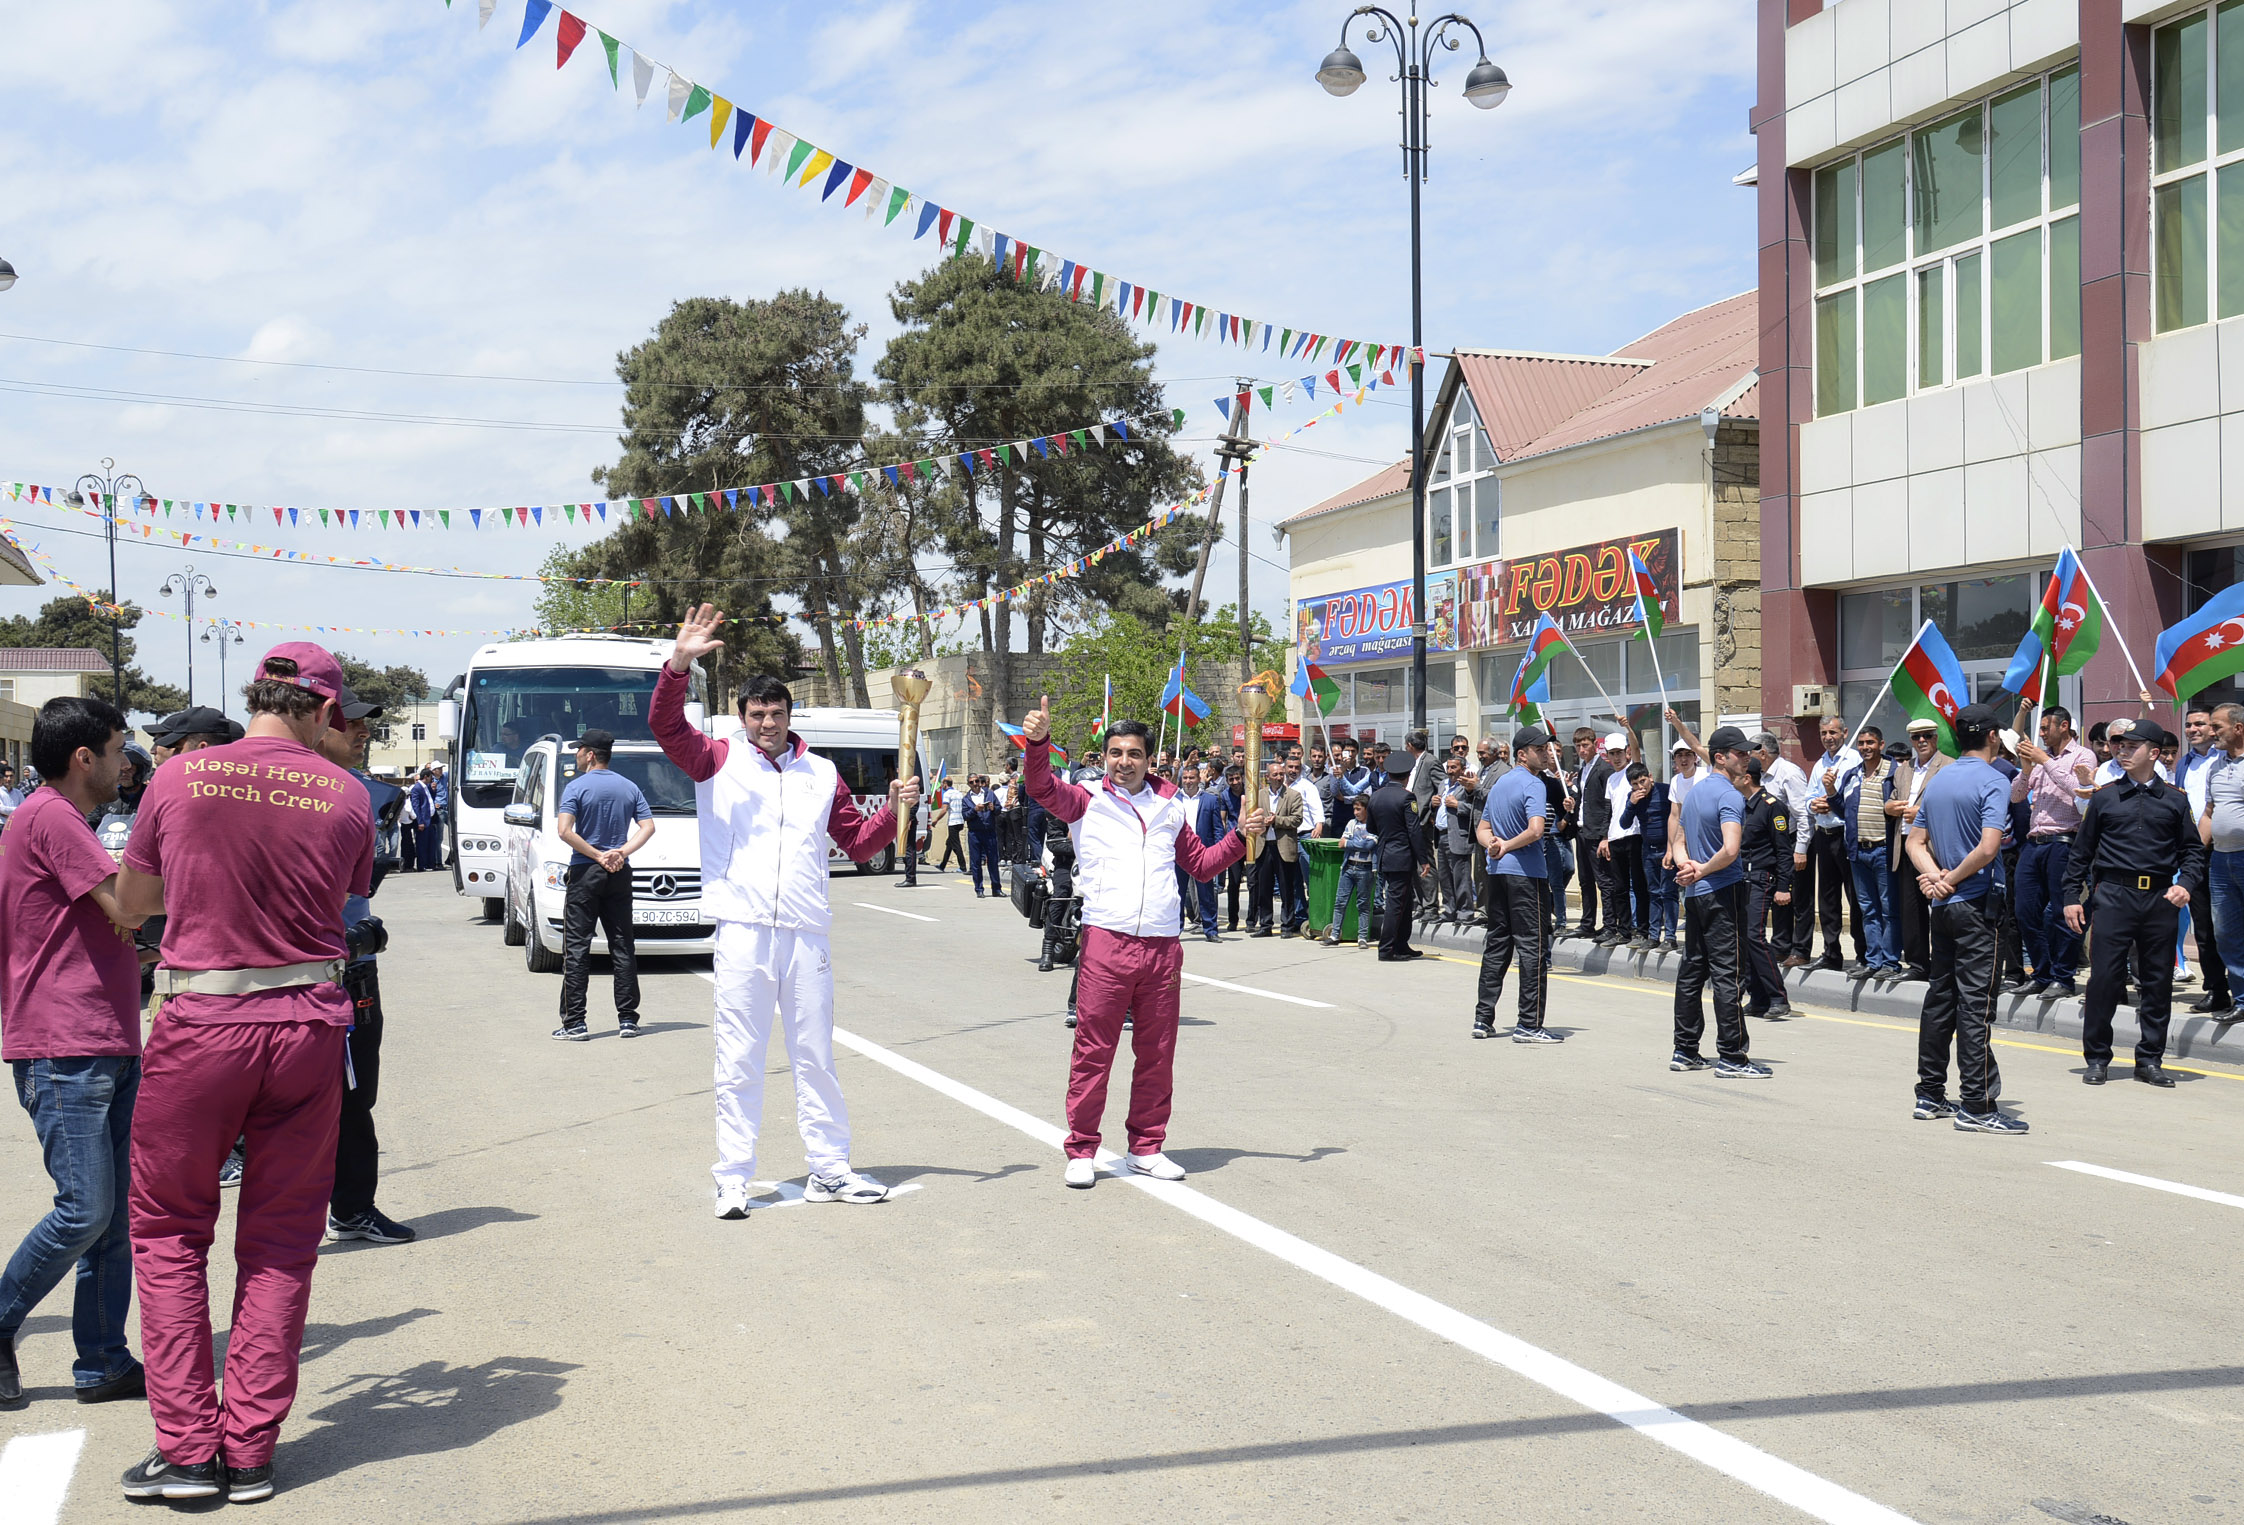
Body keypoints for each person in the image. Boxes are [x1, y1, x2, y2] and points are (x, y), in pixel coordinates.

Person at [114, 643, 376, 1504]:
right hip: (304, 1023)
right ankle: (252, 1450)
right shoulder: (346, 794)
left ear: (256, 694)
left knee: (167, 1232)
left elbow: (137, 904)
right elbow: (345, 893)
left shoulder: (180, 777)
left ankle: (189, 1450)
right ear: (324, 709)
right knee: (281, 1243)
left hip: (203, 1021)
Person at [652, 609, 914, 1216]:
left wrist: (896, 810)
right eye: (757, 714)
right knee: (738, 1059)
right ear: (743, 718)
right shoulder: (715, 760)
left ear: (790, 716)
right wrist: (679, 665)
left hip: (805, 932)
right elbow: (665, 725)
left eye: (777, 713)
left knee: (816, 1056)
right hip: (742, 931)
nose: (767, 722)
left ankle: (829, 1168)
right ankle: (734, 1176)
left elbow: (857, 841)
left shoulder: (821, 774)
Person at [1017, 697, 1264, 1188]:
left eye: (1132, 753)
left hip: (1162, 946)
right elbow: (1040, 785)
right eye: (1114, 753)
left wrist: (1239, 836)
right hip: (1108, 941)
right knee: (1094, 1048)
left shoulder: (1171, 807)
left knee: (1157, 1051)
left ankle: (1146, 1146)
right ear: (1104, 757)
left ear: (1149, 759)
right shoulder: (1087, 800)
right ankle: (1082, 1147)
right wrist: (1038, 742)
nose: (1123, 762)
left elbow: (1201, 865)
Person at [0, 696, 150, 1410]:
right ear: (83, 756)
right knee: (87, 1208)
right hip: (66, 1047)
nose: (127, 762)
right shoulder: (54, 816)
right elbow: (125, 906)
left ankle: (102, 1360)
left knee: (111, 1216)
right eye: (119, 748)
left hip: (100, 1040)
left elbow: (111, 924)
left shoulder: (60, 818)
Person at [313, 688, 415, 1242]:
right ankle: (339, 1207)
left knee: (358, 1092)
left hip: (356, 967)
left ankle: (350, 1205)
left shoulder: (363, 793)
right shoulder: (313, 792)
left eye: (366, 724)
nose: (362, 732)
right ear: (319, 721)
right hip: (322, 969)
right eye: (350, 722)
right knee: (336, 1096)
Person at [2064, 722, 2207, 1087]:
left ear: (2154, 753)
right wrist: (2070, 898)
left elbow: (2192, 851)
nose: (2122, 752)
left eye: (2132, 746)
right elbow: (2081, 854)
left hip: (2160, 898)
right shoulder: (2104, 797)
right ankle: (2097, 1057)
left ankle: (2150, 1059)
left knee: (2157, 981)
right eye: (2119, 746)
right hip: (2113, 896)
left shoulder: (2175, 799)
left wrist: (2186, 885)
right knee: (2105, 979)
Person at [1904, 703, 2025, 1131]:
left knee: (1941, 999)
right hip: (1975, 902)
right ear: (1993, 736)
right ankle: (1977, 1104)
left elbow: (1914, 841)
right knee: (1975, 1005)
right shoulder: (1992, 780)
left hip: (1944, 905)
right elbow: (1989, 847)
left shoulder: (1939, 779)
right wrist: (1950, 878)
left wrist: (1934, 877)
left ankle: (1930, 1093)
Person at [1669, 727, 1770, 1078]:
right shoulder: (1730, 796)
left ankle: (1684, 1049)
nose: (1747, 758)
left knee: (1692, 971)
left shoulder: (1695, 793)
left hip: (1697, 894)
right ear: (1720, 757)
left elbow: (1678, 839)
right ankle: (1732, 1056)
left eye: (1747, 753)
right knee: (1729, 974)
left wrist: (1688, 867)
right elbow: (1730, 850)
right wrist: (1700, 870)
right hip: (1722, 890)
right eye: (1739, 753)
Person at [551, 728, 656, 1041]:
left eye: (579, 750)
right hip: (619, 872)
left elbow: (564, 831)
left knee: (577, 948)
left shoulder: (576, 787)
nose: (576, 754)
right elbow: (648, 827)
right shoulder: (629, 787)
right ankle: (627, 1019)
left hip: (585, 872)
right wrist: (620, 852)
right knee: (622, 945)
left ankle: (575, 1023)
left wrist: (597, 855)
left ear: (590, 754)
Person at [1473, 725, 1559, 1042]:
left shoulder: (1499, 784)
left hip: (1496, 873)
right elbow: (1536, 830)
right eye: (1540, 749)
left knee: (1497, 944)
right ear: (1523, 754)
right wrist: (1507, 845)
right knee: (1532, 948)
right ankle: (1529, 1023)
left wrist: (1493, 844)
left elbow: (1483, 828)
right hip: (1527, 875)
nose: (1546, 753)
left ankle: (1483, 1019)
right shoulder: (1532, 784)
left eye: (1546, 748)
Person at [2008, 704, 2096, 1000]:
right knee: (2025, 911)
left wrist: (2045, 760)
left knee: (2062, 912)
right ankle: (2041, 973)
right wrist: (2026, 769)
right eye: (2040, 729)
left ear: (2064, 726)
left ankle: (2063, 976)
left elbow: (2078, 790)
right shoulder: (2038, 761)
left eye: (2045, 728)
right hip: (2034, 843)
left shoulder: (2082, 756)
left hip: (2065, 841)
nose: (2041, 734)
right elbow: (2016, 795)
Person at [2178, 706, 2233, 1015]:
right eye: (2189, 724)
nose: (2194, 729)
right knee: (2204, 927)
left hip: (2227, 849)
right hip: (2198, 850)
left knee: (2230, 924)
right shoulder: (2184, 764)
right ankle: (2216, 988)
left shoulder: (2225, 760)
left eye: (2201, 723)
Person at [1835, 726, 1902, 980]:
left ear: (1881, 744)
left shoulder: (1894, 773)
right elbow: (1843, 812)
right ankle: (1872, 961)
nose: (1865, 747)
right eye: (1861, 743)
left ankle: (1891, 962)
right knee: (1867, 909)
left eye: (1870, 742)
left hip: (1883, 849)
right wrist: (1831, 793)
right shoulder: (1852, 775)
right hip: (1857, 851)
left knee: (1888, 909)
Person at [1888, 718, 1950, 982]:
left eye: (1926, 736)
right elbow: (1891, 800)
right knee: (1911, 911)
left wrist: (1921, 813)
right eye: (1916, 737)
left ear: (1935, 738)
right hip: (1904, 847)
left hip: (1934, 848)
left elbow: (1951, 803)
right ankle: (1917, 964)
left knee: (1940, 908)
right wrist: (1891, 808)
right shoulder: (1904, 769)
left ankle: (1944, 963)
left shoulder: (1948, 766)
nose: (1921, 741)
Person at [1803, 715, 1866, 971]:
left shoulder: (1854, 760)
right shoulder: (1820, 764)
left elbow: (1855, 800)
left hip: (1845, 835)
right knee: (1827, 899)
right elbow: (1808, 797)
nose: (1828, 738)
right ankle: (1831, 953)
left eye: (1833, 732)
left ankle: (1863, 954)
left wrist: (1830, 801)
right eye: (1824, 733)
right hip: (1823, 834)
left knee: (1855, 897)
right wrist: (1813, 804)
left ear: (1844, 732)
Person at [1737, 759, 1796, 1021]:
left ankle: (1778, 998)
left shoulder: (1773, 807)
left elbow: (1784, 850)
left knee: (1755, 936)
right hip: (1742, 878)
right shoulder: (1740, 806)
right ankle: (1758, 998)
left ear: (1747, 778)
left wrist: (1784, 886)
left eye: (1735, 775)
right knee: (1745, 939)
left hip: (1763, 877)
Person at [1750, 732, 1812, 965]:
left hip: (1794, 841)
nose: (1749, 757)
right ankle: (1781, 946)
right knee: (1779, 897)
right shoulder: (1763, 776)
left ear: (1763, 753)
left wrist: (1801, 848)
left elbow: (1803, 814)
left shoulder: (1789, 773)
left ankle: (1801, 949)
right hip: (1775, 845)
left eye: (1752, 753)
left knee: (1799, 899)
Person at [1365, 749, 1428, 961]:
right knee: (1395, 904)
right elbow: (1414, 831)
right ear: (1407, 775)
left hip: (1385, 854)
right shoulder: (1406, 797)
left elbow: (1371, 827)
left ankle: (1401, 944)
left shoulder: (1376, 796)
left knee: (1404, 901)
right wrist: (1424, 859)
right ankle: (1387, 949)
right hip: (1401, 856)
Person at [2201, 703, 2244, 1002]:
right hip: (2219, 861)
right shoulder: (2215, 766)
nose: (2211, 732)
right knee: (2226, 934)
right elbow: (2209, 813)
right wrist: (2190, 854)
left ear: (2238, 728)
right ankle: (2241, 1001)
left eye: (2217, 727)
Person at [1593, 733, 1644, 949]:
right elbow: (1608, 810)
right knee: (1619, 887)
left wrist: (1629, 729)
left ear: (1627, 753)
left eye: (1619, 753)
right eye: (1611, 754)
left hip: (1634, 834)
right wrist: (1605, 837)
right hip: (1615, 837)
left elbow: (1637, 751)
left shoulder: (1632, 771)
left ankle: (1642, 929)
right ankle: (1623, 930)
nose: (1616, 758)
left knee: (1639, 886)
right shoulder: (1612, 779)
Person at [1567, 728, 1616, 939]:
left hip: (1597, 833)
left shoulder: (1604, 769)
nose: (1581, 750)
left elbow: (1608, 805)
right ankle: (1587, 923)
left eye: (1585, 745)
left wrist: (1605, 835)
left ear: (1595, 745)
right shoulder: (1583, 770)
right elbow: (1584, 800)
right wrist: (1571, 803)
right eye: (1578, 746)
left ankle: (1610, 925)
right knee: (1585, 880)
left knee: (1603, 881)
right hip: (1582, 831)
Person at [1624, 757, 1677, 951]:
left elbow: (1677, 817)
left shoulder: (1665, 791)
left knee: (1668, 893)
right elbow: (1624, 824)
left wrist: (1672, 849)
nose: (1640, 786)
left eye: (1643, 781)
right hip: (1648, 850)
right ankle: (1654, 936)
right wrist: (1631, 804)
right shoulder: (1634, 798)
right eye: (1635, 784)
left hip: (1667, 850)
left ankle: (1670, 937)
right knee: (1653, 893)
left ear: (1650, 777)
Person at [1189, 765, 1239, 944]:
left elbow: (1218, 827)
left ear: (1199, 780)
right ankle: (1174, 929)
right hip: (1180, 852)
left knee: (1207, 894)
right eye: (1185, 778)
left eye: (1192, 778)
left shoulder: (1210, 800)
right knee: (1178, 892)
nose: (1188, 781)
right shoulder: (1176, 800)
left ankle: (1211, 929)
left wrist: (1218, 852)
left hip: (1203, 852)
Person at [1324, 794, 1378, 948]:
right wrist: (1356, 842)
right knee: (1340, 902)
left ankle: (1362, 937)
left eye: (1358, 809)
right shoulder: (1351, 824)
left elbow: (1368, 846)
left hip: (1365, 868)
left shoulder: (1374, 826)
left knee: (1363, 904)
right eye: (1354, 809)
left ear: (1367, 809)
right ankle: (1335, 935)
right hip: (1348, 867)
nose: (1355, 812)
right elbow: (1342, 844)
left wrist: (1350, 842)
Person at [1434, 755, 1479, 926]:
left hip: (1458, 836)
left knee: (1461, 877)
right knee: (1444, 877)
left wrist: (1457, 805)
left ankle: (1465, 912)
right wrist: (1434, 803)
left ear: (1462, 769)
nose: (1450, 771)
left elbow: (1475, 810)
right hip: (1442, 834)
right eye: (1449, 767)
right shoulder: (1442, 785)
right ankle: (1450, 910)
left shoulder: (1466, 786)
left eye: (1454, 768)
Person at [964, 774, 1002, 898]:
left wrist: (992, 808)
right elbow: (965, 816)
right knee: (976, 862)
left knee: (993, 861)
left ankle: (996, 888)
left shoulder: (989, 793)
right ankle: (979, 889)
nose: (975, 784)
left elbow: (998, 809)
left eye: (977, 781)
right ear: (969, 784)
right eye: (972, 782)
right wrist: (975, 810)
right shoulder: (966, 799)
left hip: (989, 831)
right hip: (975, 833)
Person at [936, 782, 967, 872]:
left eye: (942, 784)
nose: (942, 786)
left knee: (956, 845)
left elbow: (944, 809)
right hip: (960, 821)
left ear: (945, 784)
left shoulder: (947, 794)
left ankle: (963, 866)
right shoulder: (959, 793)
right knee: (949, 843)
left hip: (953, 821)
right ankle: (943, 865)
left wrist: (936, 820)